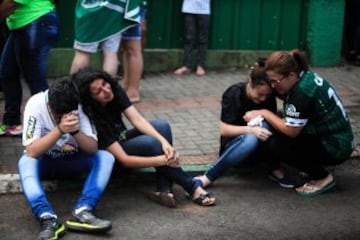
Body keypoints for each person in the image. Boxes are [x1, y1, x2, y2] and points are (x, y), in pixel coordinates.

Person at [74, 67, 216, 207]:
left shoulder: (114, 88)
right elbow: (124, 160)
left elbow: (137, 119)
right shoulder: (92, 116)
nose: (106, 90)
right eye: (98, 91)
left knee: (161, 126)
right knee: (151, 143)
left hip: (120, 137)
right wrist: (163, 160)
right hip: (113, 156)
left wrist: (165, 143)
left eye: (104, 84)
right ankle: (192, 186)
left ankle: (164, 189)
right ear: (90, 98)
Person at [245, 49, 355, 197]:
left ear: (291, 75)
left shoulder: (300, 93)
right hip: (342, 140)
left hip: (336, 147)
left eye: (275, 81)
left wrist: (265, 113)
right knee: (281, 128)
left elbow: (291, 131)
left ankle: (322, 177)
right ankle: (312, 167)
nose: (272, 86)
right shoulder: (305, 76)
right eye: (270, 81)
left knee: (275, 141)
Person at [18, 76, 115, 239]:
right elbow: (32, 151)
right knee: (25, 161)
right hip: (45, 164)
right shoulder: (35, 104)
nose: (64, 117)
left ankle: (83, 211)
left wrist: (76, 131)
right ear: (50, 105)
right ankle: (47, 217)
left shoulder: (79, 106)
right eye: (58, 116)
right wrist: (60, 130)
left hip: (73, 162)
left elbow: (92, 149)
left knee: (105, 157)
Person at [195, 60, 298, 189]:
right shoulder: (234, 93)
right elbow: (224, 130)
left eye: (267, 95)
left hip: (261, 150)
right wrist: (250, 130)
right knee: (251, 138)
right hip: (237, 147)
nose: (263, 99)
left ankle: (275, 168)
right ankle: (208, 177)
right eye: (260, 94)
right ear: (250, 83)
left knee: (271, 128)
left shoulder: (268, 96)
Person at [0, 0, 59, 136]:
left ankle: (51, 127)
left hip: (37, 21)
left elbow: (11, 3)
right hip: (21, 25)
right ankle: (12, 123)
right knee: (7, 73)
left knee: (34, 77)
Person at [69, 0, 140, 78]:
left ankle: (74, 89)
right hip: (115, 9)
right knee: (110, 52)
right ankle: (107, 87)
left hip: (93, 9)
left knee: (83, 52)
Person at [119, 0, 147, 103]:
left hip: (131, 7)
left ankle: (133, 91)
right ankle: (127, 84)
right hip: (123, 6)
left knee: (133, 49)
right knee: (127, 48)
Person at [173, 0, 211, 77]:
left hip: (204, 10)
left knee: (202, 39)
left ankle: (200, 66)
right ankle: (187, 66)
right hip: (189, 9)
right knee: (189, 38)